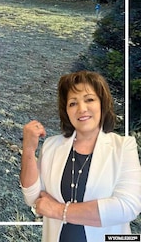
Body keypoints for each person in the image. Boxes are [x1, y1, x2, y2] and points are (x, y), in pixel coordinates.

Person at [21, 70, 141, 242]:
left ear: (102, 103)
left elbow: (127, 207)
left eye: (89, 99)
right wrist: (28, 150)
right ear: (66, 111)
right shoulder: (52, 145)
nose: (81, 109)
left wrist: (57, 210)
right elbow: (32, 198)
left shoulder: (123, 147)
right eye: (72, 103)